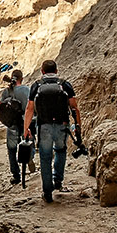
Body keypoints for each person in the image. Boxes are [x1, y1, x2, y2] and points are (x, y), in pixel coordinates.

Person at [24, 59, 82, 203]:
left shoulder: (36, 86)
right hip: (62, 125)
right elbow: (74, 108)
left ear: (42, 71)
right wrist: (78, 126)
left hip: (44, 126)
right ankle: (58, 181)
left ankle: (47, 191)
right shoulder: (64, 85)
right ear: (56, 71)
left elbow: (29, 109)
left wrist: (26, 129)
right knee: (61, 151)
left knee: (45, 157)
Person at [0, 71, 30, 184]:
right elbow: (30, 107)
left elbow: (0, 107)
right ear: (22, 78)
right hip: (24, 122)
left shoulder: (7, 91)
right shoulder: (26, 90)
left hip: (11, 124)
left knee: (12, 150)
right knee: (27, 145)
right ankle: (28, 161)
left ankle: (16, 175)